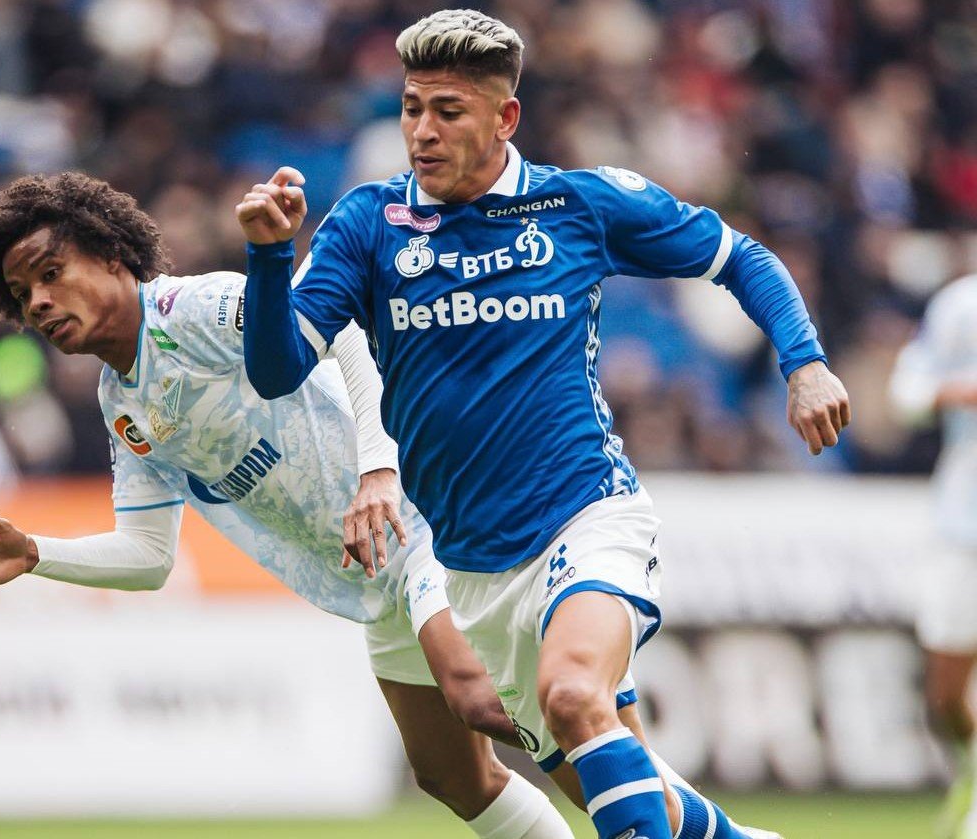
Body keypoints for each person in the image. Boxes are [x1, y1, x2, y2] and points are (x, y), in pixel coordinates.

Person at [236, 9, 850, 839]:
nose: (422, 131)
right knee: (622, 774)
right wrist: (270, 257)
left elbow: (740, 257)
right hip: (473, 572)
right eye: (412, 108)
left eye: (447, 111)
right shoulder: (365, 224)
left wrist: (805, 362)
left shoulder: (578, 204)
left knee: (573, 695)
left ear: (505, 117)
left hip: (585, 517)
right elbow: (276, 371)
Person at [0, 172, 574, 839]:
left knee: (479, 695)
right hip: (372, 575)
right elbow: (149, 555)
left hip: (419, 516)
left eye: (51, 273)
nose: (39, 302)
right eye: (23, 293)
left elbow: (342, 332)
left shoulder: (192, 309)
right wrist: (36, 553)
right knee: (453, 777)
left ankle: (637, 793)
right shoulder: (120, 401)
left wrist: (379, 469)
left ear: (111, 256)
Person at [890, 273, 977, 839]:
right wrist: (953, 392)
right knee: (945, 695)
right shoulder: (962, 305)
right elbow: (906, 391)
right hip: (963, 522)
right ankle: (970, 768)